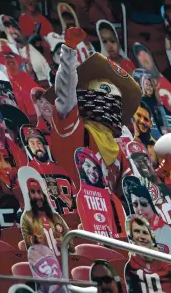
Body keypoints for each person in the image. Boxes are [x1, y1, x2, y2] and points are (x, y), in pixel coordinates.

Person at [44, 27, 139, 196]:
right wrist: (69, 51)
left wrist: (162, 172)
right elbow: (66, 95)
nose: (111, 103)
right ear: (87, 96)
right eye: (105, 94)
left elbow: (133, 195)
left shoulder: (118, 152)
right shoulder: (73, 128)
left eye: (116, 99)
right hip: (76, 212)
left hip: (108, 217)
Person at [124, 215, 171, 293]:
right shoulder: (130, 267)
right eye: (137, 232)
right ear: (131, 237)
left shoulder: (166, 262)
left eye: (145, 232)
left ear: (151, 236)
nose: (141, 237)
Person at [21, 126, 77, 215]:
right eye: (32, 144)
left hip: (72, 219)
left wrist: (69, 200)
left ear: (44, 145)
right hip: (48, 223)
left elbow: (78, 199)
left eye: (39, 143)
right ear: (28, 148)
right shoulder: (28, 172)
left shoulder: (62, 170)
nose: (37, 147)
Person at [122, 176, 171, 257]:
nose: (139, 209)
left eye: (144, 204)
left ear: (152, 205)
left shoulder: (165, 230)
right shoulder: (131, 230)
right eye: (135, 205)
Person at [20, 175, 74, 256]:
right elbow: (28, 247)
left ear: (44, 195)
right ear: (29, 195)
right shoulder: (26, 217)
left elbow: (71, 246)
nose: (38, 196)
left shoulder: (56, 217)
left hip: (64, 262)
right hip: (44, 264)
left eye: (39, 192)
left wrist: (64, 243)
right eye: (33, 192)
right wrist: (36, 244)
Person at [0, 14, 51, 84]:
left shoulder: (34, 48)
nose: (12, 30)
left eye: (14, 26)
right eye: (7, 26)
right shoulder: (4, 51)